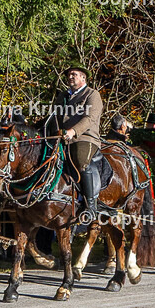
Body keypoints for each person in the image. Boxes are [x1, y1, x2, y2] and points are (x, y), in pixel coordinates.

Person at [53, 63, 106, 222]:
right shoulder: (63, 96)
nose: (70, 77)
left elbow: (90, 119)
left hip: (85, 138)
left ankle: (90, 206)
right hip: (61, 138)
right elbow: (54, 116)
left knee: (81, 160)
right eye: (69, 74)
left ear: (83, 77)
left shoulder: (92, 94)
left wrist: (72, 131)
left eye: (73, 74)